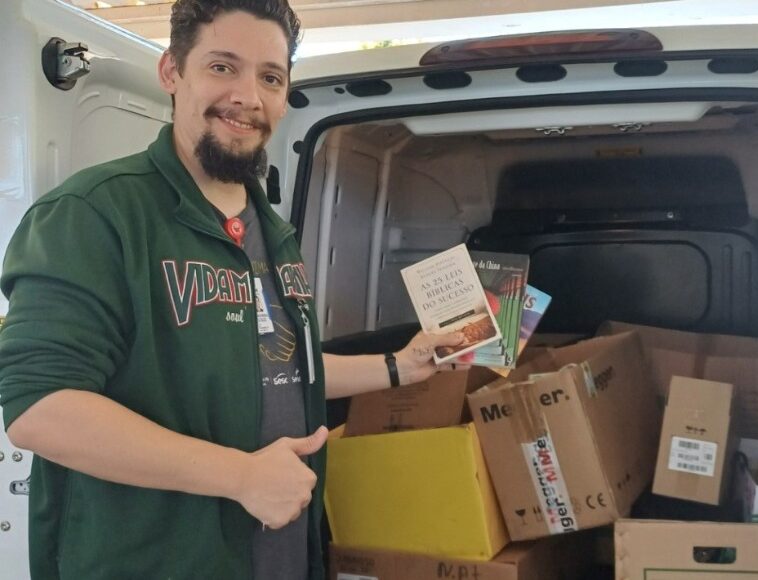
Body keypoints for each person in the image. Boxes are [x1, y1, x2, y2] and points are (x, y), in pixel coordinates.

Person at [0, 1, 461, 578]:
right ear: (172, 72)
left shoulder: (273, 233)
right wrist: (239, 476)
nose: (249, 95)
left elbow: (278, 367)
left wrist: (399, 367)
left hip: (279, 558)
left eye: (270, 76)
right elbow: (40, 408)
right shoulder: (94, 214)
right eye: (223, 67)